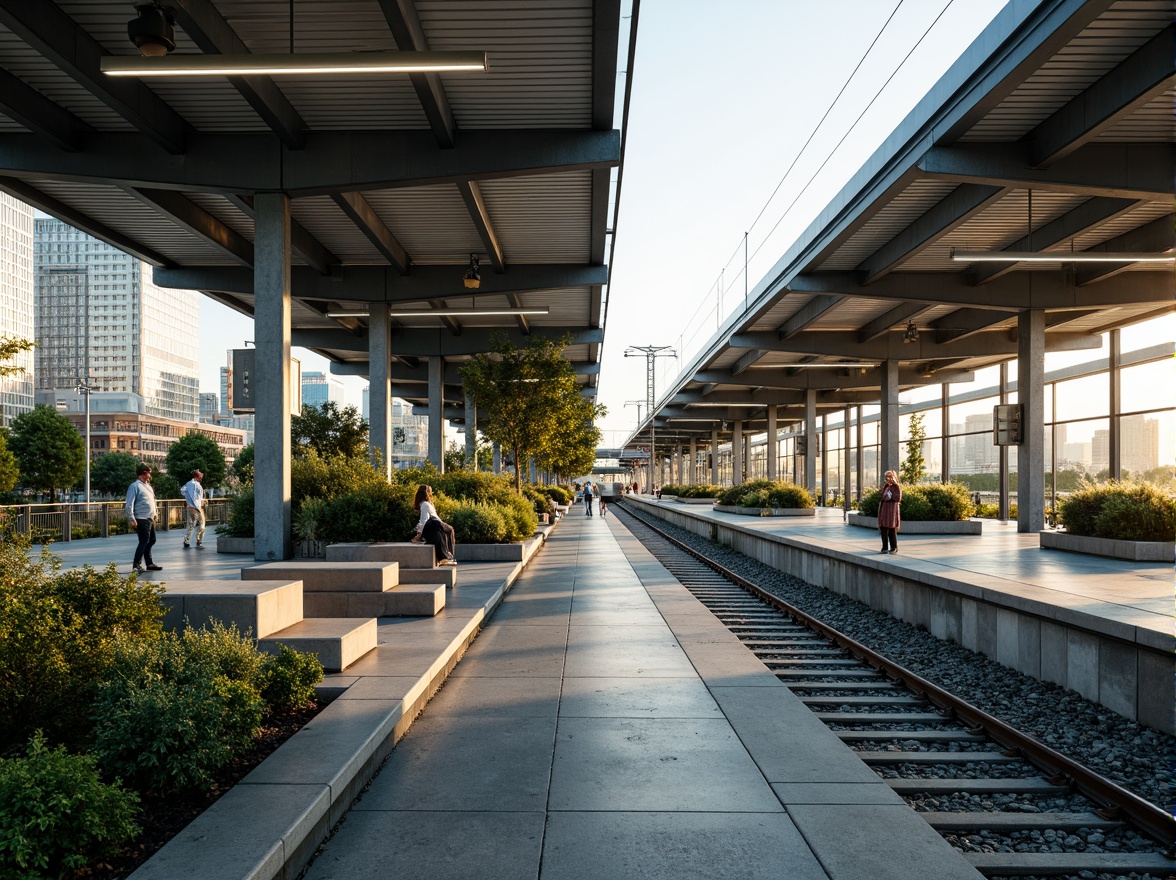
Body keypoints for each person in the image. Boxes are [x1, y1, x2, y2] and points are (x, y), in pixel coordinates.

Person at [126, 463, 162, 572]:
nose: (150, 475)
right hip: (141, 518)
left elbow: (152, 501)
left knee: (151, 540)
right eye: (149, 473)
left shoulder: (148, 486)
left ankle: (149, 563)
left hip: (149, 518)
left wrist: (155, 514)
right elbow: (129, 503)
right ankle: (136, 564)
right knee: (143, 541)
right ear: (144, 473)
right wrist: (131, 518)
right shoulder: (135, 486)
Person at [412, 484, 457, 566]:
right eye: (430, 492)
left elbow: (429, 518)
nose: (431, 494)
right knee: (449, 531)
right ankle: (446, 557)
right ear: (427, 493)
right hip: (433, 525)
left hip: (435, 524)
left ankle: (447, 556)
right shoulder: (425, 504)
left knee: (448, 531)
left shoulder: (427, 504)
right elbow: (424, 519)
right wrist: (419, 534)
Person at [878, 470, 902, 554]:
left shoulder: (896, 486)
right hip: (884, 509)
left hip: (892, 510)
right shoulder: (885, 486)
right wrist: (883, 495)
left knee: (892, 528)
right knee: (883, 528)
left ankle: (893, 547)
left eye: (889, 477)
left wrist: (890, 497)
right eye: (886, 477)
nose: (888, 479)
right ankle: (884, 547)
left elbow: (898, 498)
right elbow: (881, 495)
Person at [181, 468, 206, 549]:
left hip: (191, 506)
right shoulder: (195, 484)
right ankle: (199, 541)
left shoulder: (188, 484)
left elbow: (182, 490)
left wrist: (187, 499)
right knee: (201, 524)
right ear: (197, 476)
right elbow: (196, 497)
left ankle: (187, 540)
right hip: (197, 507)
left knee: (191, 525)